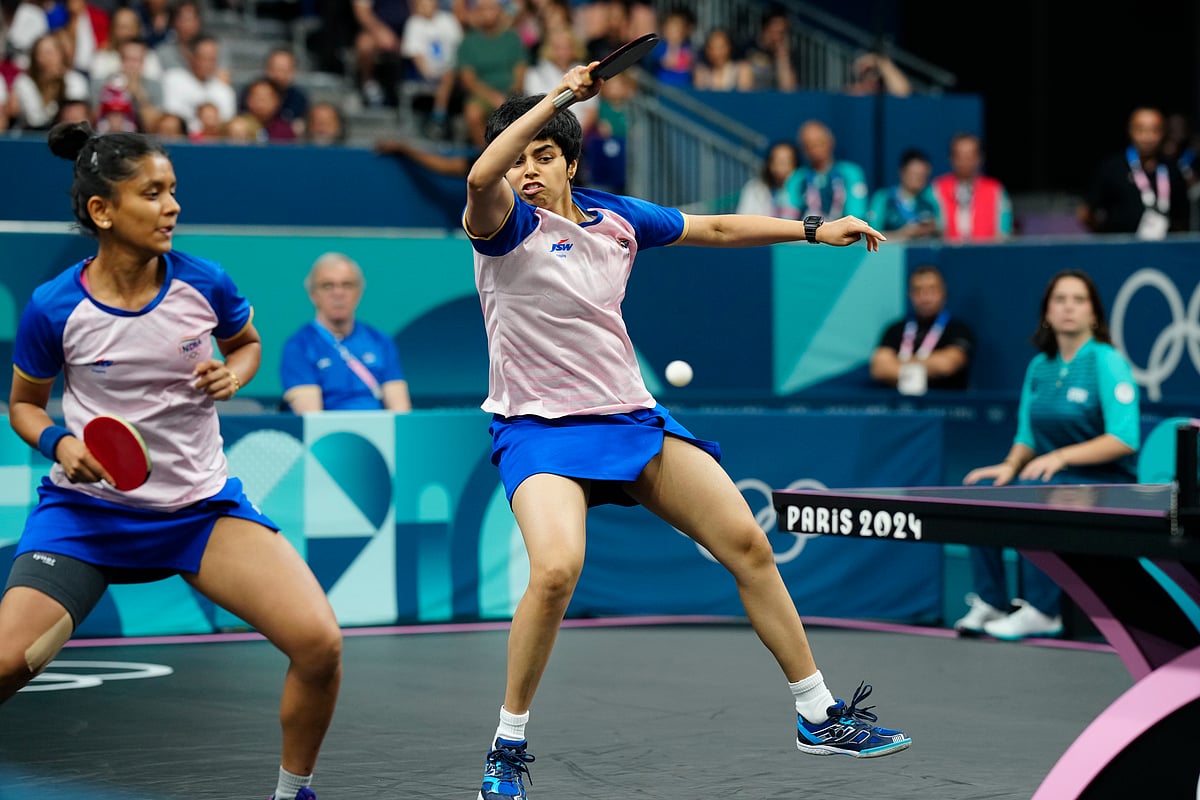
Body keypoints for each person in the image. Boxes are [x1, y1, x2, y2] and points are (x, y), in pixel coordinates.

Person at [461, 66, 911, 800]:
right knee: (553, 572)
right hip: (538, 432)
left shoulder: (617, 219)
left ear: (571, 162)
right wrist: (559, 97)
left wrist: (812, 230)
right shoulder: (501, 222)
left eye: (542, 155)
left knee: (748, 545)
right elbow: (481, 173)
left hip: (629, 418)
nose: (525, 169)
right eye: (519, 157)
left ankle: (817, 714)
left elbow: (720, 226)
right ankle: (507, 746)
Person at [1, 121, 342, 800]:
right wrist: (60, 444)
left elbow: (246, 342)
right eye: (153, 193)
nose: (172, 206)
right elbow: (24, 405)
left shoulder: (203, 282)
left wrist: (236, 374)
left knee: (319, 644)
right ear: (102, 210)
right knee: (7, 661)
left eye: (173, 191)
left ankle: (293, 794)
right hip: (87, 516)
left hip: (198, 513)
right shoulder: (55, 306)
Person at [957, 269, 1140, 640]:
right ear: (1046, 313)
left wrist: (1062, 457)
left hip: (1109, 483)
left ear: (1094, 313)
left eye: (1078, 300)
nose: (1068, 307)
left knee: (1038, 490)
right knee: (980, 492)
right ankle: (992, 601)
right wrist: (1008, 466)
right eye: (1060, 299)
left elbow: (1125, 438)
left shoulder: (1106, 360)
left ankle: (1043, 611)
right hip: (1053, 478)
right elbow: (1027, 436)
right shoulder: (1040, 367)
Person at [280, 252, 412, 414]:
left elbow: (401, 411)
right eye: (328, 286)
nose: (338, 293)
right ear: (313, 294)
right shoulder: (299, 346)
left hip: (381, 434)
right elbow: (312, 418)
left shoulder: (380, 341)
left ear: (359, 291)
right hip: (332, 437)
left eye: (347, 285)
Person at [1076, 106, 1191, 239]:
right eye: (1141, 130)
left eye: (1154, 130)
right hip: (1120, 250)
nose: (1147, 137)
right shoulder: (1112, 168)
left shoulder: (1173, 170)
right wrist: (1105, 235)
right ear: (1130, 130)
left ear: (1163, 132)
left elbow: (1181, 219)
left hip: (1162, 252)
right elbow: (1086, 213)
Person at [869, 265, 973, 394]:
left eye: (932, 290)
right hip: (898, 407)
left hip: (945, 406)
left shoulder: (958, 330)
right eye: (918, 291)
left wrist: (900, 363)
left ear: (943, 292)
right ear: (910, 294)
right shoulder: (895, 329)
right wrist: (927, 365)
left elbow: (946, 365)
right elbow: (879, 368)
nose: (925, 297)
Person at [931, 132, 1012, 241]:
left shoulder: (995, 190)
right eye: (959, 156)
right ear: (951, 158)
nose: (965, 161)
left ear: (980, 158)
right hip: (948, 255)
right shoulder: (937, 190)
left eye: (970, 156)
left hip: (986, 254)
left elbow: (1004, 232)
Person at [782, 118, 870, 219]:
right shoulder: (797, 178)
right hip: (807, 232)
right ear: (803, 150)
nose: (816, 150)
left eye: (820, 143)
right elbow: (788, 216)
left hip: (844, 232)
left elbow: (856, 213)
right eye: (810, 145)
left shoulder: (850, 173)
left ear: (831, 141)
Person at [866, 147, 942, 240]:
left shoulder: (930, 199)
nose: (918, 179)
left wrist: (934, 229)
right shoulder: (884, 198)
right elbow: (870, 236)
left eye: (922, 175)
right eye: (914, 174)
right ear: (902, 172)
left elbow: (942, 235)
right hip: (891, 253)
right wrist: (901, 234)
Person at [735, 138, 799, 217]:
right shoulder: (755, 189)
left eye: (785, 162)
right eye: (776, 161)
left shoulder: (804, 189)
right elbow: (743, 218)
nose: (780, 167)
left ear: (795, 165)